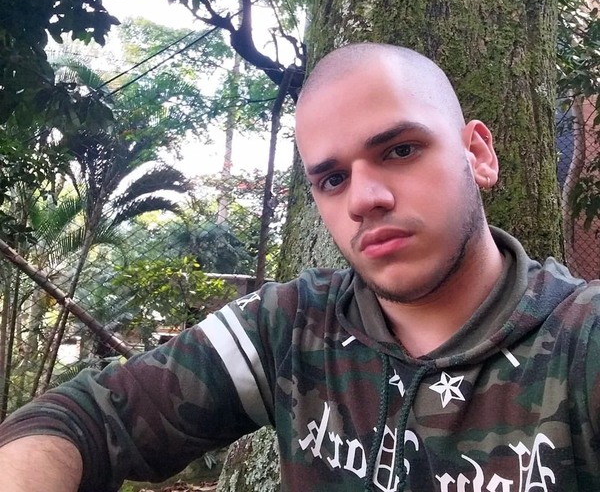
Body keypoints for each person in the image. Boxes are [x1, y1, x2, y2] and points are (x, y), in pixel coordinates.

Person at [0, 42, 598, 492]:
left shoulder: (580, 344)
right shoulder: (291, 328)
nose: (364, 199)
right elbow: (86, 417)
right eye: (333, 179)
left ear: (478, 154)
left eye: (400, 150)